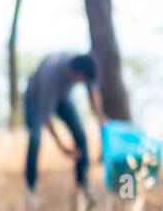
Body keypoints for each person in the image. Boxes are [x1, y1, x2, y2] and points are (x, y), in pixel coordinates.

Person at [24, 52, 105, 194]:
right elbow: (46, 119)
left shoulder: (83, 64)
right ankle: (30, 187)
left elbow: (93, 90)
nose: (80, 83)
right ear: (73, 72)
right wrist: (63, 148)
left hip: (63, 97)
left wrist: (101, 118)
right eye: (80, 80)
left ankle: (83, 184)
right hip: (35, 97)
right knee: (35, 138)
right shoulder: (51, 74)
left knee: (81, 135)